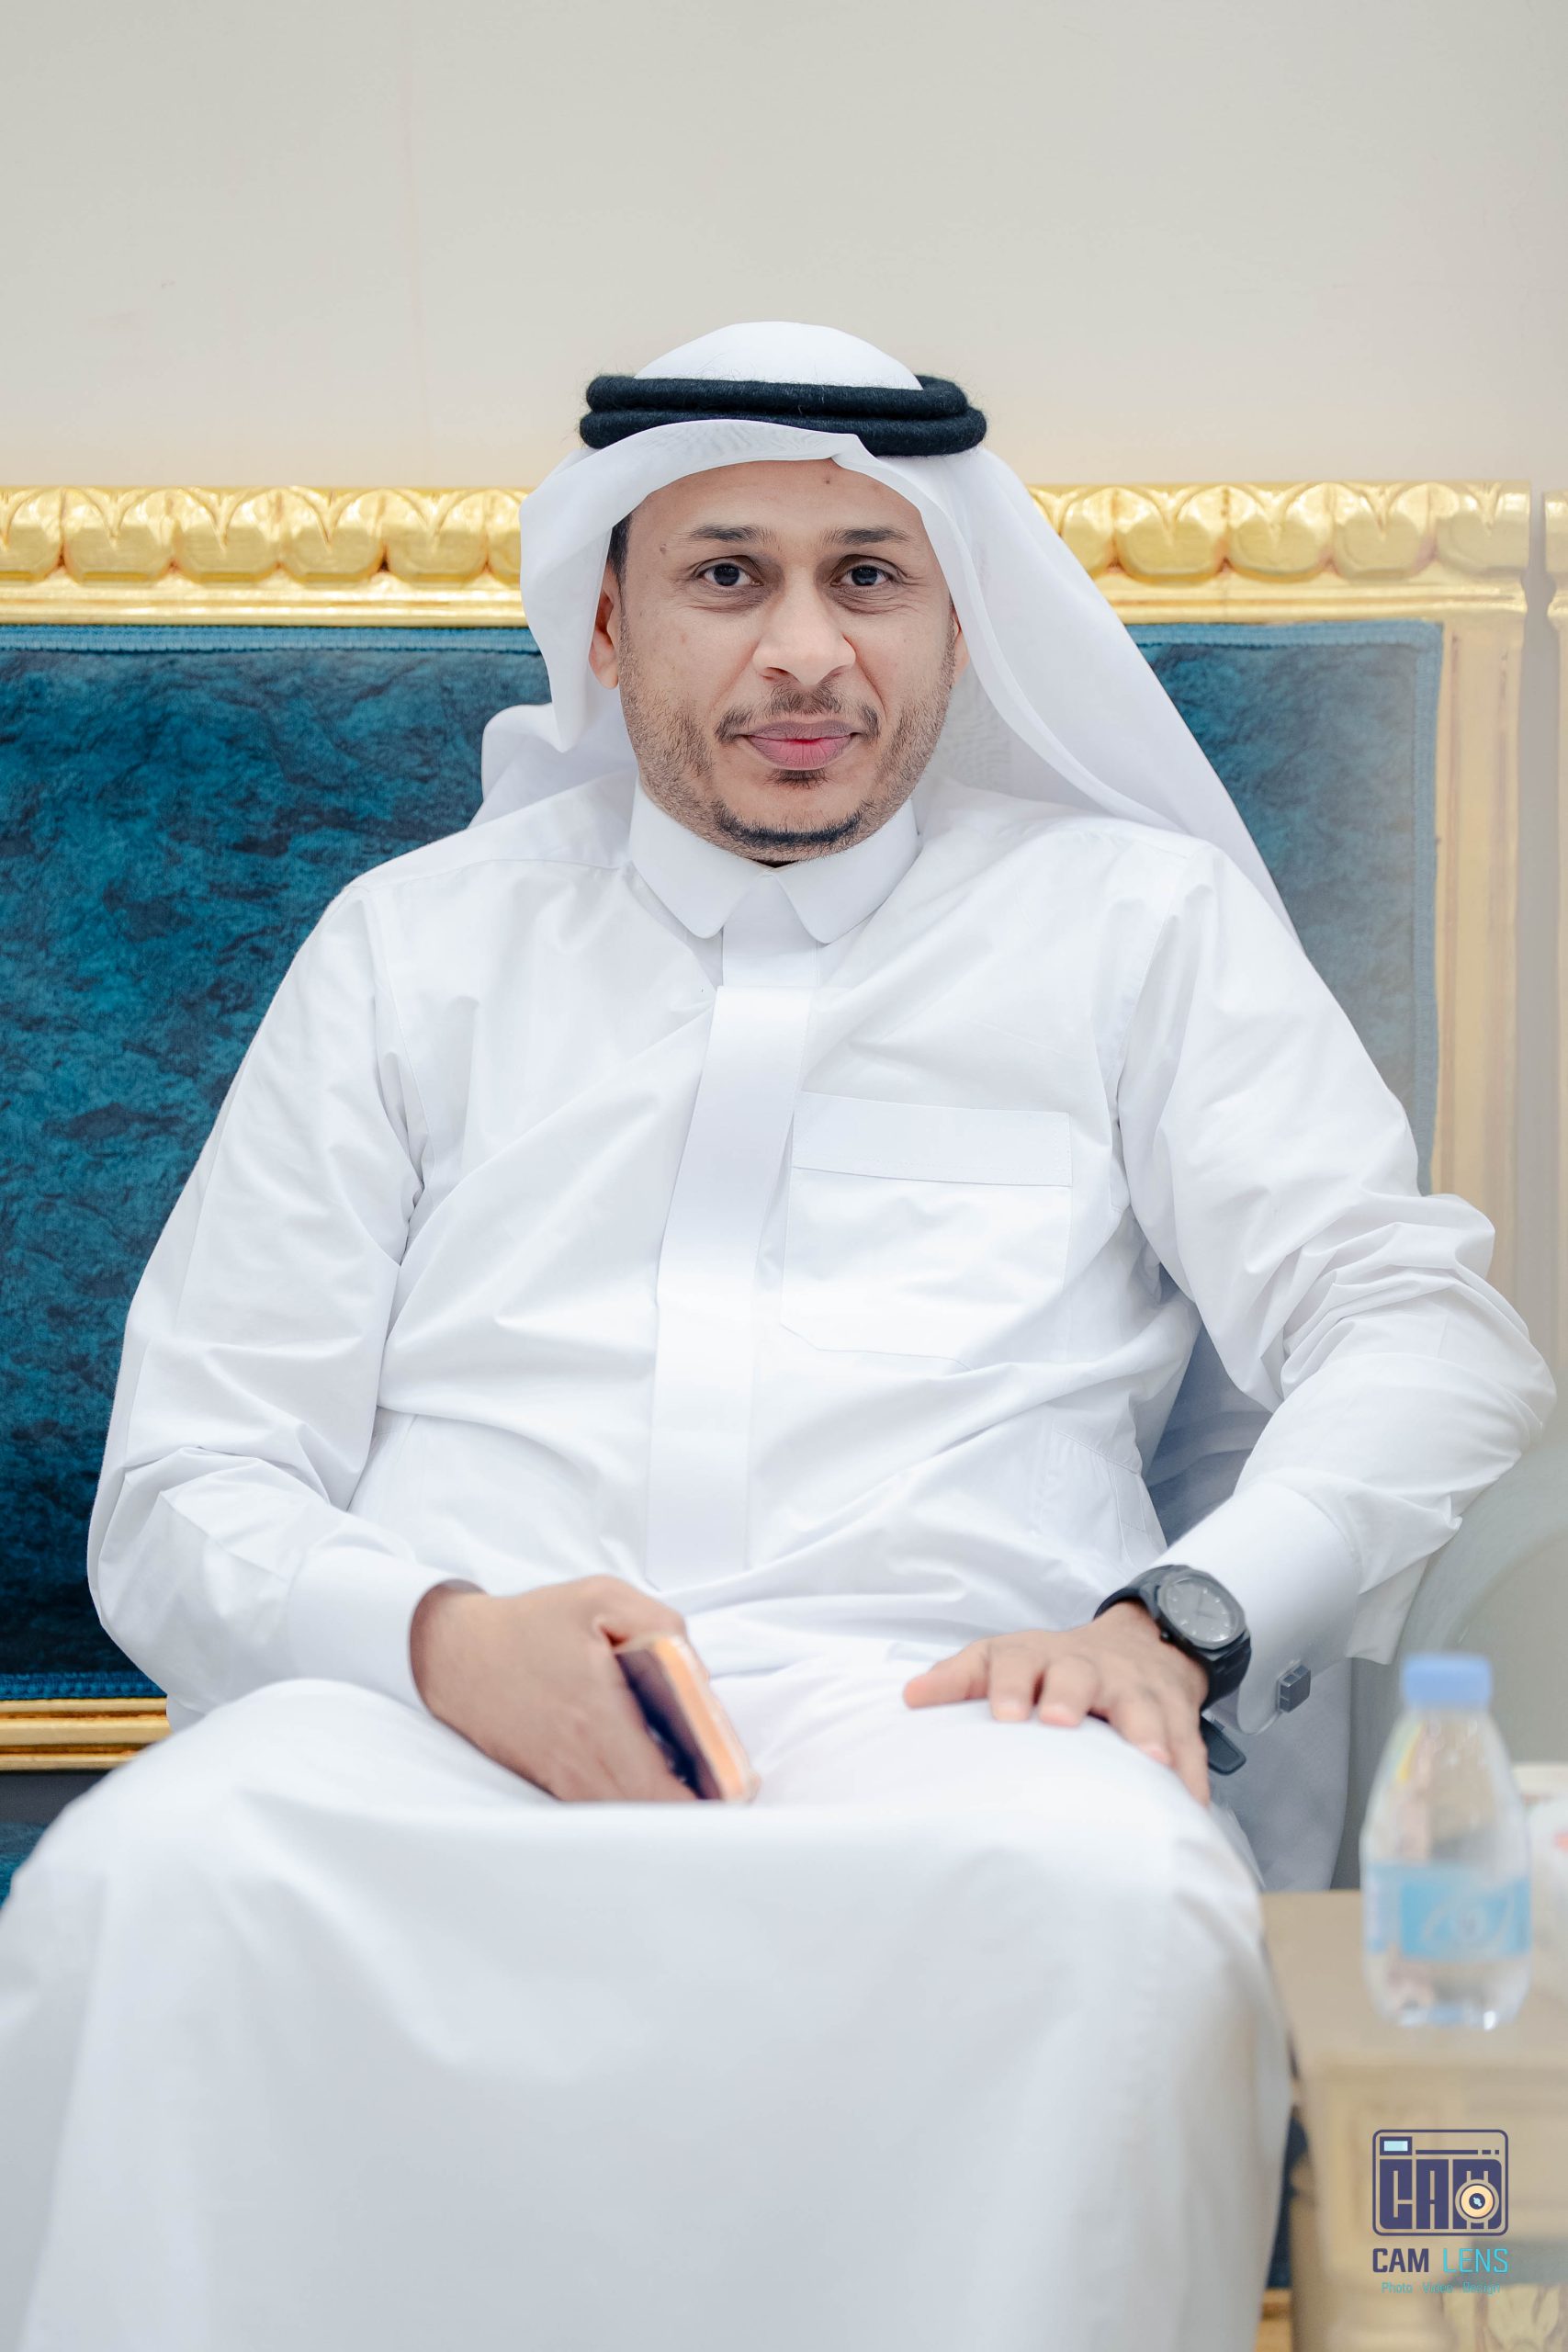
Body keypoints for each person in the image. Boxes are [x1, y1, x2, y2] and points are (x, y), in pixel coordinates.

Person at [0, 322, 1551, 2352]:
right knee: (149, 1892)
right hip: (429, 1730)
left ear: (956, 625)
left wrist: (1173, 1624)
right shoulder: (413, 945)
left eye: (869, 576)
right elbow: (188, 1478)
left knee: (1114, 1919)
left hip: (963, 1731)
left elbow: (1428, 1334)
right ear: (608, 625)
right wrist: (445, 1641)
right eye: (726, 575)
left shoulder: (1134, 931)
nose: (805, 651)